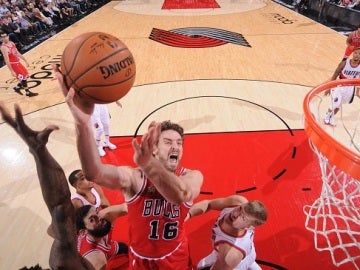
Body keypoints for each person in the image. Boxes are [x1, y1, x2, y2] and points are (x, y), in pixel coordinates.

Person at [54, 64, 204, 270]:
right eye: (168, 142)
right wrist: (83, 125)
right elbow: (94, 172)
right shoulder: (135, 178)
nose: (175, 146)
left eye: (179, 143)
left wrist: (148, 164)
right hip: (140, 258)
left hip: (175, 255)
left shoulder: (192, 176)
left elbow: (180, 194)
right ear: (154, 149)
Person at [0, 102, 92, 269]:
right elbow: (61, 207)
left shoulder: (63, 262)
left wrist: (39, 152)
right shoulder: (63, 263)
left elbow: (61, 206)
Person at [186, 195, 268, 270]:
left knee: (201, 266)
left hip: (236, 263)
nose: (235, 214)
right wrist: (188, 214)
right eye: (240, 208)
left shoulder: (231, 254)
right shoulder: (238, 202)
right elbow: (209, 204)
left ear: (249, 227)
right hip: (248, 252)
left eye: (243, 217)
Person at [76, 204, 129, 270]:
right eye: (92, 220)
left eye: (96, 211)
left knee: (124, 247)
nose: (99, 218)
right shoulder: (95, 258)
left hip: (107, 247)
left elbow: (127, 206)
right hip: (92, 259)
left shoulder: (104, 216)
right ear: (84, 232)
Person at [324, 47, 360, 126]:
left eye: (359, 54)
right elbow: (335, 74)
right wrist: (329, 88)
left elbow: (358, 80)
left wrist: (357, 92)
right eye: (356, 53)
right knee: (336, 103)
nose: (357, 55)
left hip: (350, 88)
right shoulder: (344, 63)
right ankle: (327, 115)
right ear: (353, 54)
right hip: (339, 85)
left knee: (339, 105)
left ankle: (332, 116)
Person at [0, 32, 38, 97]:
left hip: (18, 62)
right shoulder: (3, 47)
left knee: (26, 75)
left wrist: (25, 60)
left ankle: (17, 88)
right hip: (13, 65)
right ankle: (28, 92)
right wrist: (11, 71)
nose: (5, 38)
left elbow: (17, 52)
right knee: (23, 78)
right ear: (1, 38)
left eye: (6, 36)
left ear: (8, 36)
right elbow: (6, 60)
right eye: (3, 37)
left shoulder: (11, 43)